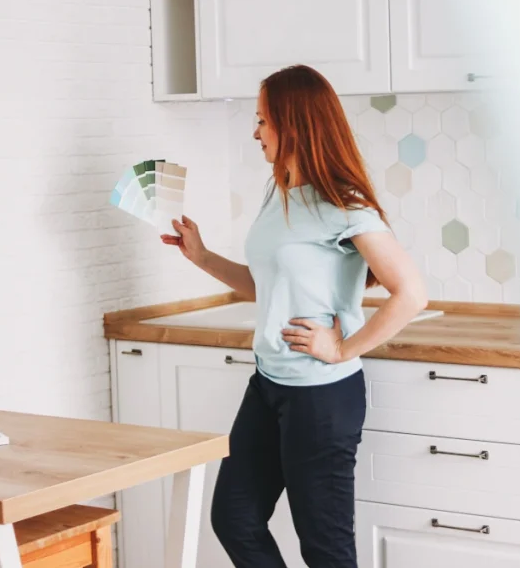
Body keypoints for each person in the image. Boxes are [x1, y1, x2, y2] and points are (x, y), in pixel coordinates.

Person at [161, 64, 427, 567]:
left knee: (325, 551)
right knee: (235, 518)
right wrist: (202, 257)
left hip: (321, 398)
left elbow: (410, 292)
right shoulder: (278, 191)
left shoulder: (344, 204)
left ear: (295, 123)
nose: (256, 130)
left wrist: (342, 347)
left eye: (264, 119)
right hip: (268, 384)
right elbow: (267, 285)